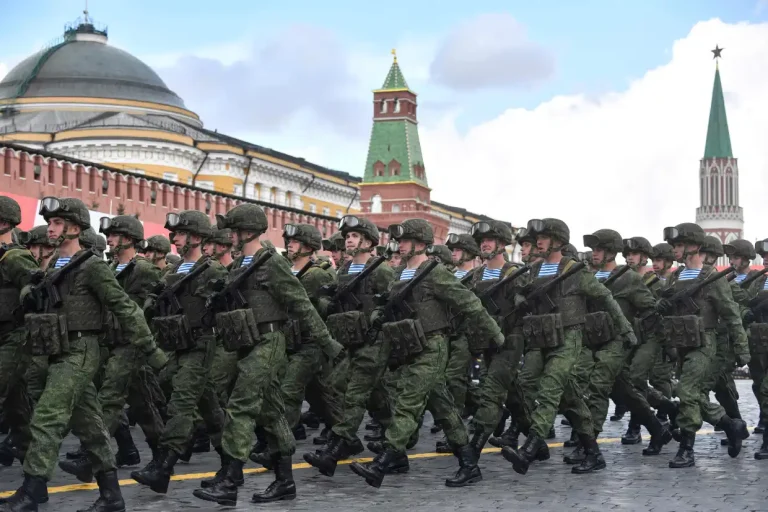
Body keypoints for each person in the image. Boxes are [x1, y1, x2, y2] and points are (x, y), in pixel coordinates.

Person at [2, 197, 164, 512]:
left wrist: (150, 349)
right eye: (50, 223)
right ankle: (112, 496)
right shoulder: (53, 266)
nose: (51, 228)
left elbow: (125, 307)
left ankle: (32, 491)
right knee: (90, 426)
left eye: (58, 223)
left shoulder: (92, 266)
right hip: (56, 350)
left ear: (75, 229)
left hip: (80, 350)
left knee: (47, 417)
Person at [193, 204, 340, 506]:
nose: (230, 236)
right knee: (271, 414)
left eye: (234, 231)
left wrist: (328, 344)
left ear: (248, 232)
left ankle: (231, 481)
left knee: (241, 405)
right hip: (245, 343)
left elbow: (302, 304)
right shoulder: (238, 265)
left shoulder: (272, 263)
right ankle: (285, 481)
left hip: (268, 342)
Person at [348, 219, 504, 488]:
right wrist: (377, 316)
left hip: (432, 346)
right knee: (444, 409)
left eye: (405, 241)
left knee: (408, 403)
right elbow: (387, 304)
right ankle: (469, 464)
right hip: (407, 347)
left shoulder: (435, 273)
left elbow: (470, 303)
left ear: (420, 244)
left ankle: (382, 463)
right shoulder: (399, 273)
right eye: (399, 241)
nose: (400, 245)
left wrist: (496, 335)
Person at [131, 211, 227, 495]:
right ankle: (231, 463)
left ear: (197, 238)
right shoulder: (173, 272)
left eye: (182, 234)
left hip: (201, 344)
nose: (175, 238)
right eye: (175, 234)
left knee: (182, 402)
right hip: (178, 345)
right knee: (208, 408)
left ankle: (163, 467)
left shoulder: (212, 271)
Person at [657, 223, 749, 468]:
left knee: (686, 390)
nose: (675, 250)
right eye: (674, 245)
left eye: (679, 245)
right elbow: (666, 307)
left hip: (704, 342)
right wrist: (662, 305)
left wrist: (741, 347)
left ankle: (687, 449)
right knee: (692, 394)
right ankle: (730, 424)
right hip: (681, 342)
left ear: (695, 247)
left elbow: (731, 314)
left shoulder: (712, 277)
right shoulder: (675, 276)